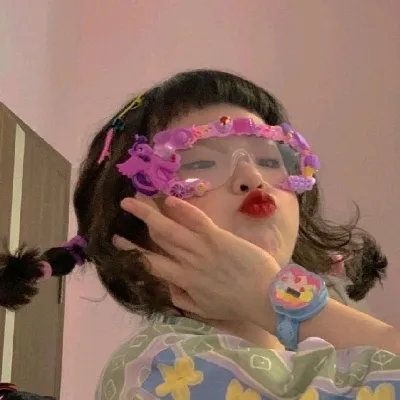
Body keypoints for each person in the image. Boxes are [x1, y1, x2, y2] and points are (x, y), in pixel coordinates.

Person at [0, 70, 398, 399]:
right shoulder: (164, 369)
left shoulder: (320, 346)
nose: (252, 177)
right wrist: (284, 303)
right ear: (136, 222)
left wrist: (283, 306)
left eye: (269, 159)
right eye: (201, 163)